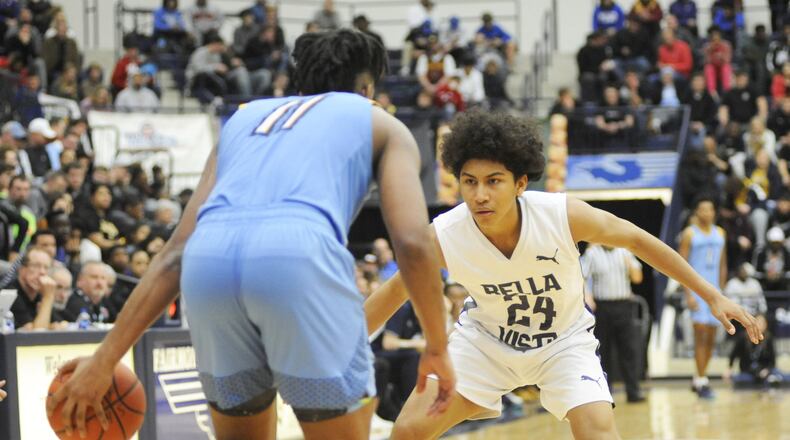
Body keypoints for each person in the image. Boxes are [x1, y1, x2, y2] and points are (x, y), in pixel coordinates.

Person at [46, 29, 454, 440]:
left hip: (208, 266)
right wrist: (437, 345)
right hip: (296, 255)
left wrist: (104, 358)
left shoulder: (242, 119)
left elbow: (175, 253)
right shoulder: (379, 121)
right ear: (367, 88)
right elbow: (413, 242)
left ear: (300, 81)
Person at [365, 110, 761, 439]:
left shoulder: (560, 215)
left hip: (563, 343)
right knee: (407, 432)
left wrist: (712, 295)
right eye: (469, 182)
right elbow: (396, 291)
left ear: (520, 183)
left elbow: (638, 240)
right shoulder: (445, 234)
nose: (479, 195)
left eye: (493, 181)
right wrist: (340, 348)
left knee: (598, 432)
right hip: (485, 344)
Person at [581, 244, 645, 403]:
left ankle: (633, 391)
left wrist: (629, 263)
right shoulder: (592, 253)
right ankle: (605, 393)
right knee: (603, 351)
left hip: (623, 305)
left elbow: (638, 278)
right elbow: (580, 275)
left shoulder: (625, 251)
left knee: (629, 350)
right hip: (602, 306)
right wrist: (587, 296)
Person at [678, 196, 726, 399]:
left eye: (710, 209)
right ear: (697, 212)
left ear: (714, 212)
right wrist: (688, 294)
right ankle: (702, 380)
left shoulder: (721, 233)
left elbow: (723, 264)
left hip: (714, 291)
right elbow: (679, 265)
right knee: (700, 335)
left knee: (712, 337)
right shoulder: (689, 234)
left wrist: (722, 292)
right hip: (696, 292)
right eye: (703, 209)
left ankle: (699, 376)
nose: (707, 212)